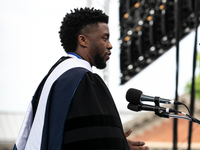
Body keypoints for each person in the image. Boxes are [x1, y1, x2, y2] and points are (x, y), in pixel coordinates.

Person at [13, 7, 149, 150]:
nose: (110, 45)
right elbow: (90, 141)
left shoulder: (54, 77)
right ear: (83, 40)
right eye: (105, 38)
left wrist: (119, 142)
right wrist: (118, 145)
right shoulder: (84, 81)